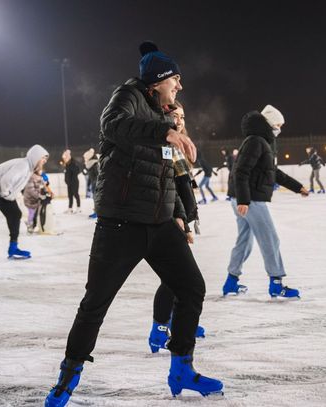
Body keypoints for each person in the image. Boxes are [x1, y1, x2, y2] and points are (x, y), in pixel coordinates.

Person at [45, 41, 222, 407]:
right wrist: (166, 131)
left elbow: (171, 175)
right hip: (121, 225)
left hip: (159, 224)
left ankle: (182, 368)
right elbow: (113, 125)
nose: (180, 85)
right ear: (157, 82)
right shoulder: (128, 96)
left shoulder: (164, 114)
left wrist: (182, 214)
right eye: (175, 79)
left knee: (191, 288)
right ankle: (67, 377)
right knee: (95, 303)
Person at [223, 104, 308, 299]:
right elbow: (241, 171)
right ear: (270, 123)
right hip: (250, 200)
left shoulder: (259, 142)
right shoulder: (256, 141)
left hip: (243, 199)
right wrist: (244, 200)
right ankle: (276, 284)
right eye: (279, 124)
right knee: (270, 239)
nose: (280, 128)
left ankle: (231, 282)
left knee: (244, 241)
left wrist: (297, 187)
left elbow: (273, 172)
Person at [148, 100, 206, 353]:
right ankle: (159, 328)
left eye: (183, 116)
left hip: (179, 216)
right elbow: (168, 186)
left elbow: (183, 186)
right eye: (175, 116)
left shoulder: (178, 148)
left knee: (178, 279)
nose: (180, 121)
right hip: (169, 218)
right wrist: (179, 217)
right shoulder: (165, 147)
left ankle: (176, 323)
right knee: (174, 279)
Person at [23, 169, 43, 234]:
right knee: (32, 212)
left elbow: (42, 186)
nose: (41, 171)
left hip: (34, 199)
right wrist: (39, 196)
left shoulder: (39, 178)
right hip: (30, 199)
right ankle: (29, 225)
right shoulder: (31, 178)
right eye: (40, 170)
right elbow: (31, 190)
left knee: (34, 213)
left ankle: (31, 225)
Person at [83, 148, 99, 218]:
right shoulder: (90, 165)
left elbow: (98, 175)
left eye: (85, 158)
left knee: (97, 199)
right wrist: (89, 184)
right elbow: (90, 176)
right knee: (95, 198)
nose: (85, 159)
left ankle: (97, 213)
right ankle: (96, 212)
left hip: (96, 184)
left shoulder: (95, 164)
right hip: (93, 183)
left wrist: (97, 184)